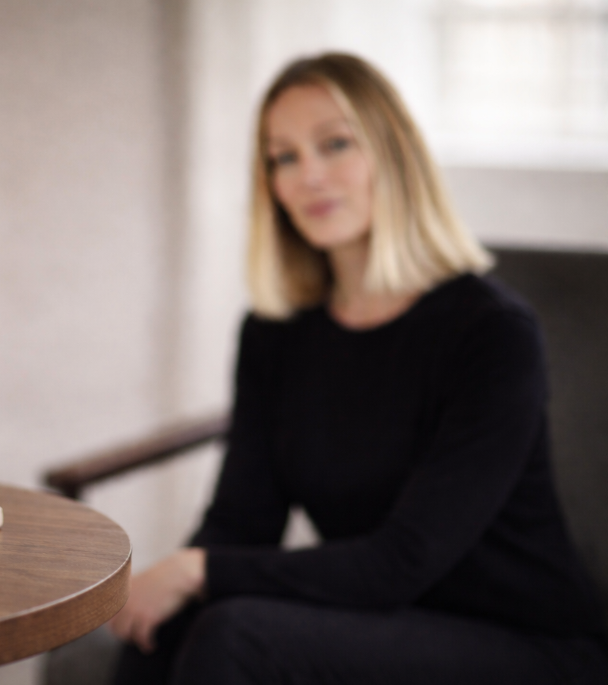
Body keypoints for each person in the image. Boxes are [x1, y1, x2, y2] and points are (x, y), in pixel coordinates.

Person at [108, 53, 608, 685]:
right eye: (282, 157)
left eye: (334, 144)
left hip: (522, 641)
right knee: (166, 627)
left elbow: (403, 559)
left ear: (392, 155)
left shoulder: (492, 332)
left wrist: (196, 570)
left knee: (235, 633)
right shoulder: (274, 332)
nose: (307, 175)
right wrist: (177, 578)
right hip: (379, 614)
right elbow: (243, 520)